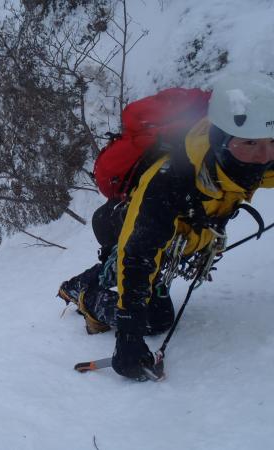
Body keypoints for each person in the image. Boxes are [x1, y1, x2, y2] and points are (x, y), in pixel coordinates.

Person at [57, 73, 274, 381]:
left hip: (174, 240)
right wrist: (129, 336)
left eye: (272, 141)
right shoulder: (170, 180)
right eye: (250, 143)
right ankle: (88, 298)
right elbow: (137, 256)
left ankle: (81, 281)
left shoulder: (248, 159)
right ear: (220, 140)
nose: (264, 157)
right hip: (127, 227)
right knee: (156, 318)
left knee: (136, 279)